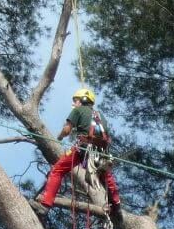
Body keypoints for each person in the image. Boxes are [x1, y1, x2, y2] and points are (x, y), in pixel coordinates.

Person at [36, 88, 122, 221]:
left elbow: (67, 129)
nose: (73, 104)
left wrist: (60, 136)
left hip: (84, 147)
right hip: (102, 151)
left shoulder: (77, 110)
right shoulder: (100, 115)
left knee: (57, 171)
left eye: (75, 101)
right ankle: (117, 207)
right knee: (107, 177)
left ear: (83, 100)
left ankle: (45, 205)